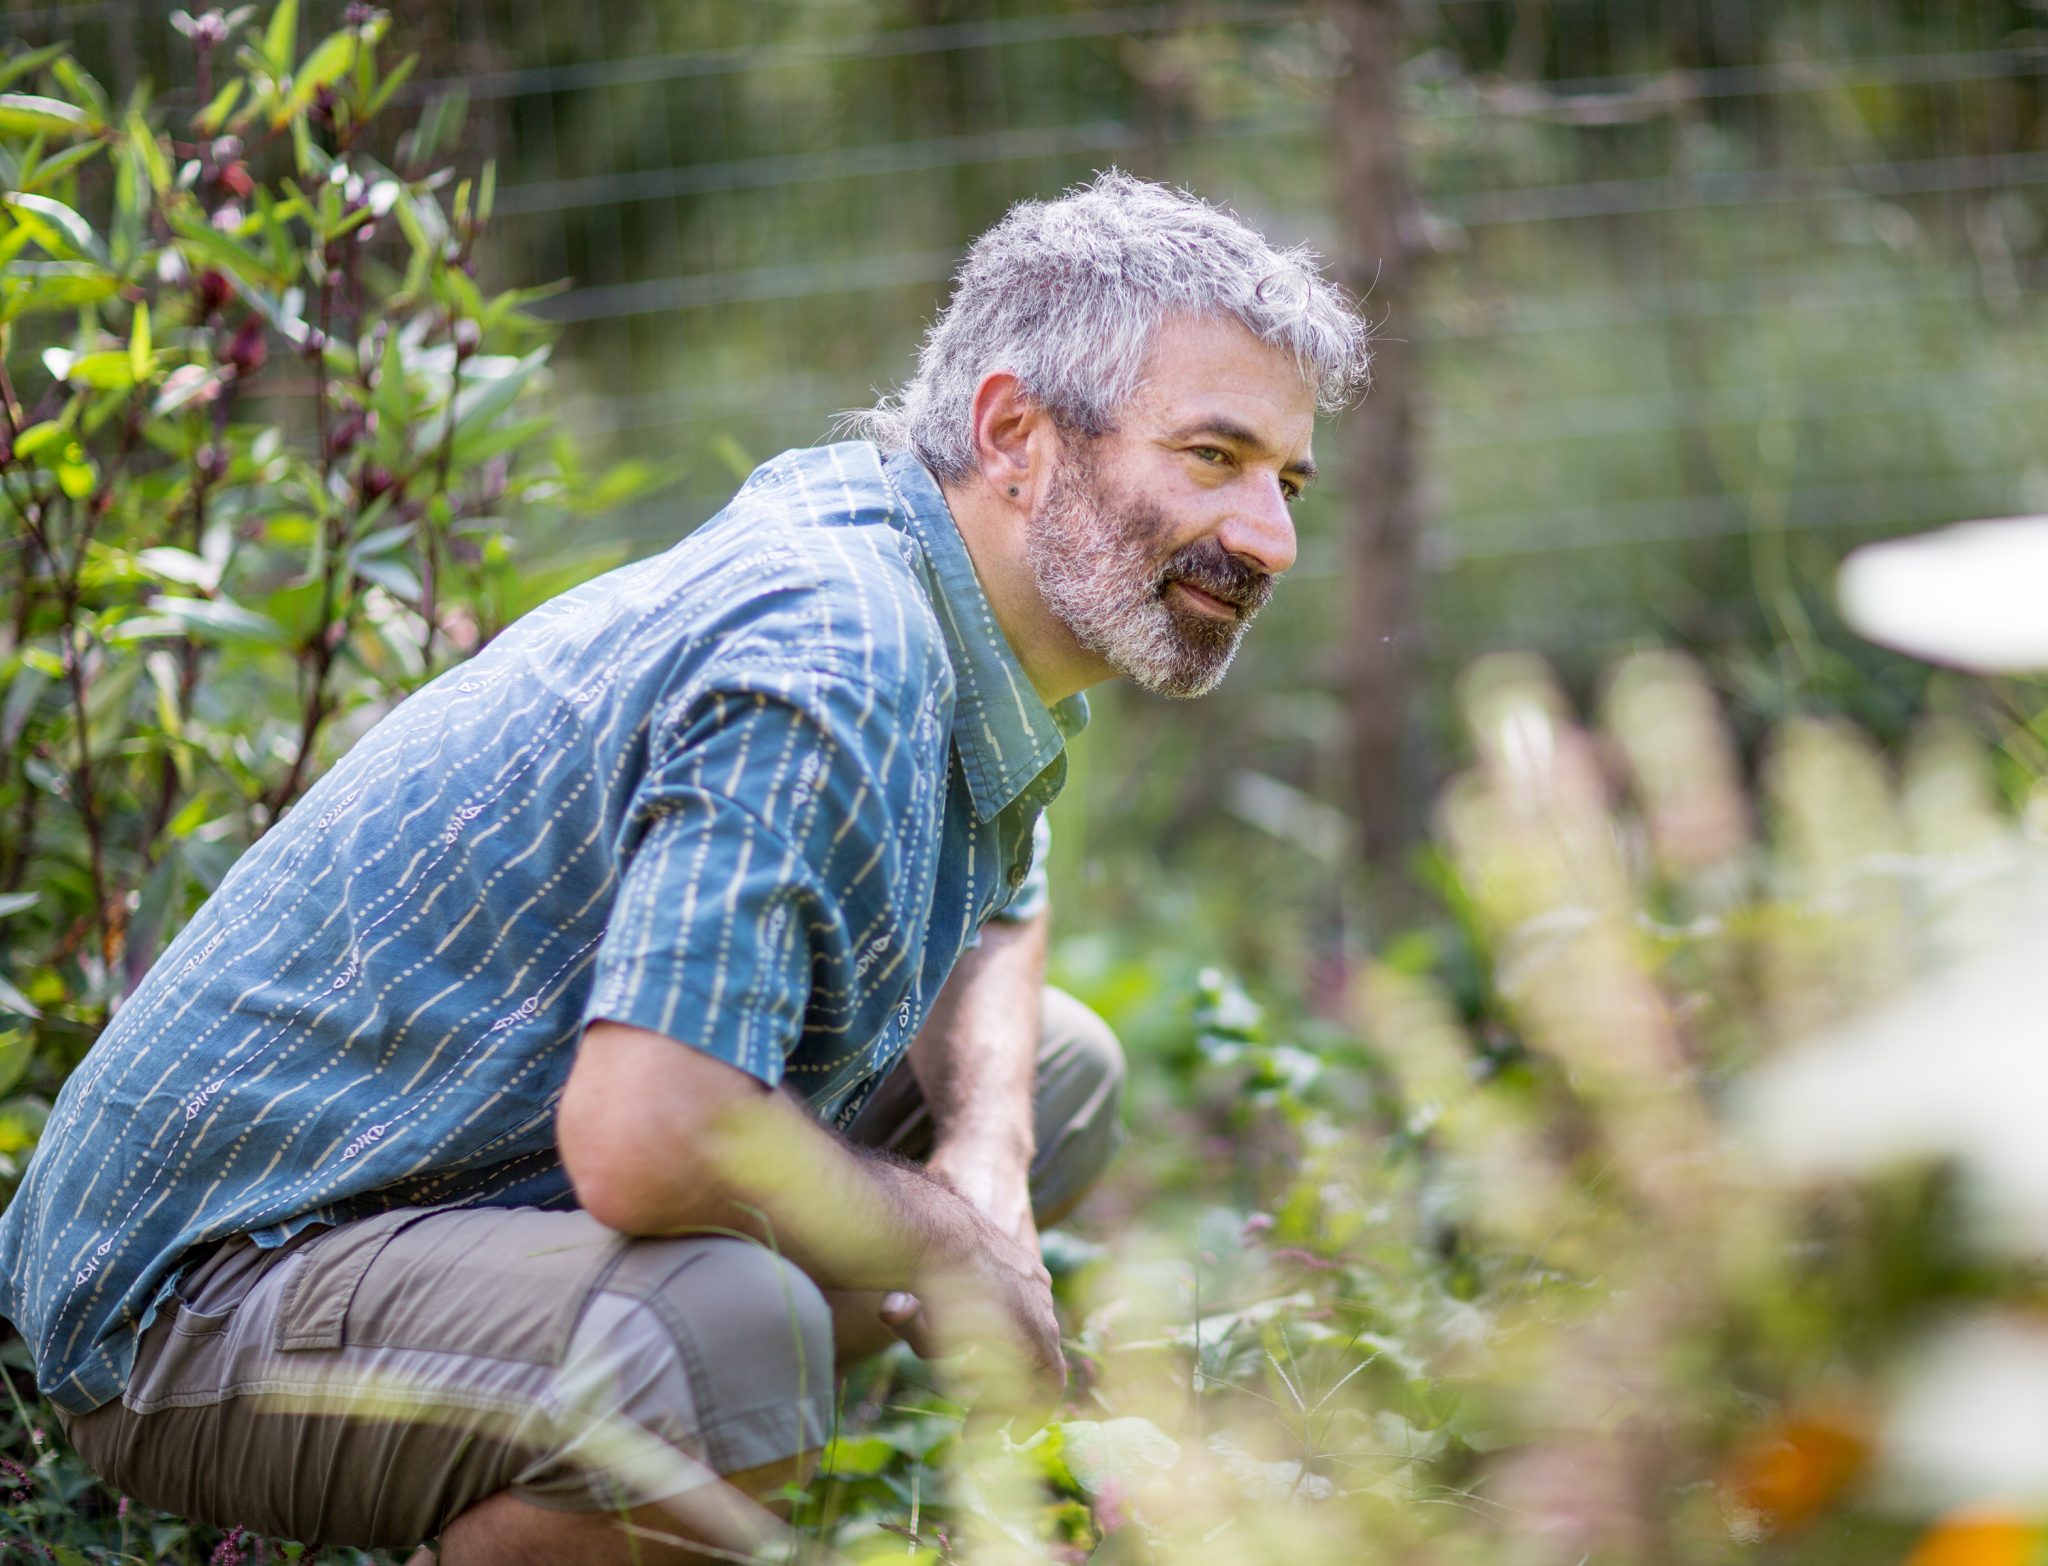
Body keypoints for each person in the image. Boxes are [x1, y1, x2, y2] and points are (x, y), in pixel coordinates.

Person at [0, 170, 1369, 1563]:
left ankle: (628, 1481)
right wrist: (950, 1244)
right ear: (1014, 431)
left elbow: (1002, 898)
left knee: (1048, 1078)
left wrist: (984, 1164)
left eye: (1286, 478)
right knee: (721, 1333)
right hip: (189, 1288)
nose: (1271, 537)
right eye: (1214, 456)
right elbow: (648, 1132)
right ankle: (659, 1447)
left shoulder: (952, 587)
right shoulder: (838, 650)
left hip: (460, 1199)